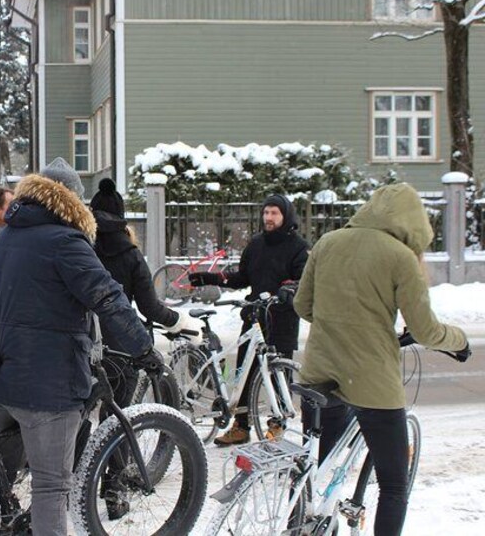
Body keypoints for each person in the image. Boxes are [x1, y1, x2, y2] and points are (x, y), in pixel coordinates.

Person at [0, 157, 159, 536]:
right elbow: (108, 298)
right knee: (50, 487)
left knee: (0, 480)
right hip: (47, 385)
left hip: (0, 377)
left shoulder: (8, 235)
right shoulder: (65, 240)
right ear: (72, 201)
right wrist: (143, 349)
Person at [293, 183, 469, 536]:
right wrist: (460, 341)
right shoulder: (400, 257)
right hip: (371, 380)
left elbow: (302, 306)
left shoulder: (328, 242)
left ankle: (302, 523)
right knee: (393, 485)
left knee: (318, 470)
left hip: (320, 371)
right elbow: (425, 329)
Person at [89, 177, 204, 519]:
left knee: (78, 417)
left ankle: (74, 484)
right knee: (118, 420)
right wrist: (178, 320)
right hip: (121, 348)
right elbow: (150, 308)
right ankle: (114, 491)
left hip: (82, 344)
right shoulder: (130, 254)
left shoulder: (80, 247)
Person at [189, 194, 309, 445]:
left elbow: (303, 280)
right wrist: (211, 278)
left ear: (285, 215)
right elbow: (242, 278)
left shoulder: (298, 247)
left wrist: (288, 289)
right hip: (255, 318)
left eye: (274, 213)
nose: (269, 218)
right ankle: (241, 427)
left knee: (278, 375)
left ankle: (278, 424)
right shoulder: (256, 244)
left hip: (282, 319)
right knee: (245, 372)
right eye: (266, 213)